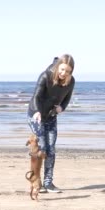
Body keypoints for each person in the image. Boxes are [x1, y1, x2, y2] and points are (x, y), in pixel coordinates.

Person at [27, 54, 75, 193]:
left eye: (67, 71)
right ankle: (36, 181)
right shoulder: (45, 76)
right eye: (62, 69)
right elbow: (36, 96)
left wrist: (62, 107)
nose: (63, 73)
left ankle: (48, 183)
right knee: (42, 147)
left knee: (51, 149)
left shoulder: (70, 81)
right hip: (35, 115)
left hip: (51, 117)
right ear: (58, 66)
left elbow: (66, 99)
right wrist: (37, 111)